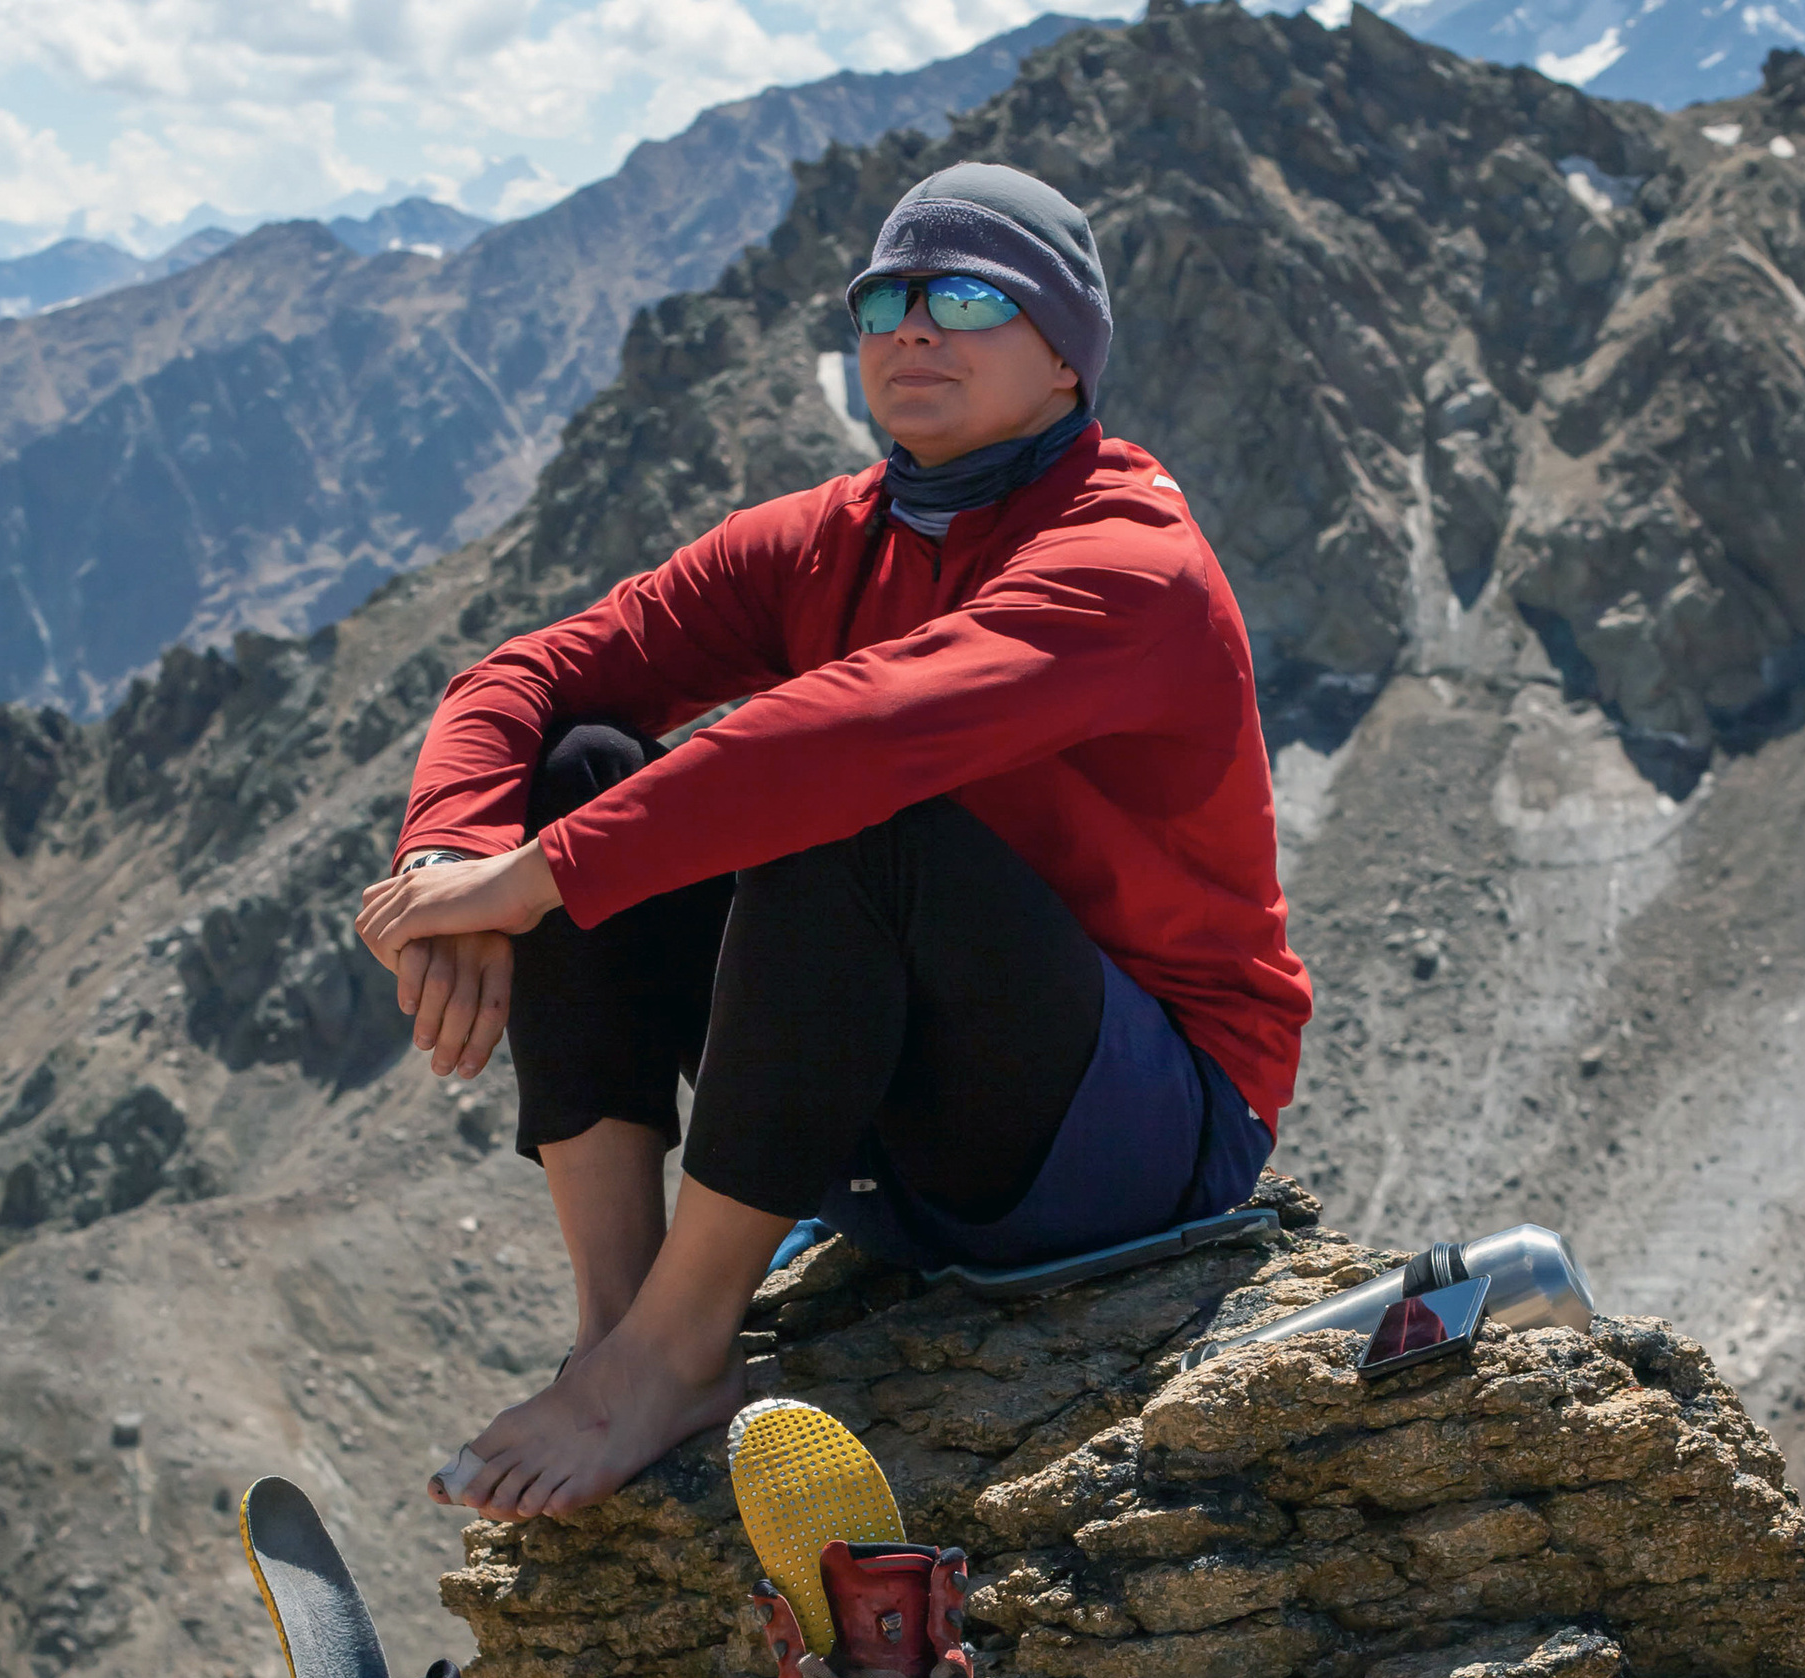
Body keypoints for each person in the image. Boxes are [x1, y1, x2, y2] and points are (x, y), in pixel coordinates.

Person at [354, 160, 1312, 1524]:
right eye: (885, 301)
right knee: (576, 773)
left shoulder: (1127, 558)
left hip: (1140, 1136)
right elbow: (528, 676)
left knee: (849, 814)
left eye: (967, 298)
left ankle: (678, 1350)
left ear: (1065, 357)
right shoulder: (834, 538)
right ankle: (623, 1334)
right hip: (896, 1132)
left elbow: (857, 736)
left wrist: (538, 881)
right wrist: (452, 862)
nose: (913, 329)